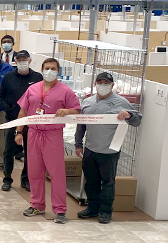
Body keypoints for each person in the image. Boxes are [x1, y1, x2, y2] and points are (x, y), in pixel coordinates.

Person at [15, 58, 81, 224]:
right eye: (47, 68)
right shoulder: (33, 89)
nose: (49, 71)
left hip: (52, 135)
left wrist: (67, 111)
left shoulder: (65, 91)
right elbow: (23, 111)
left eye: (53, 68)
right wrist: (18, 132)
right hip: (33, 134)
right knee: (34, 172)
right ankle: (37, 204)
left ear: (57, 71)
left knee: (56, 173)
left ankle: (59, 210)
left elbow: (77, 110)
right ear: (42, 70)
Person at [75, 72, 141, 224]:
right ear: (95, 84)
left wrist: (129, 116)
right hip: (90, 149)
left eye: (106, 83)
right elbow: (81, 125)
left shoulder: (121, 102)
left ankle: (105, 212)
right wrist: (78, 144)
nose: (102, 85)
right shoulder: (87, 102)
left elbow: (137, 121)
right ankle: (92, 208)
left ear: (112, 85)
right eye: (100, 82)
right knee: (91, 181)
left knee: (108, 182)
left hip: (109, 151)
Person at [0, 51, 41, 192]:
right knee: (8, 151)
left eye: (25, 59)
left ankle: (26, 179)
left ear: (30, 60)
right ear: (16, 61)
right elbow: (0, 97)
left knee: (30, 152)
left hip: (30, 121)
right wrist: (8, 109)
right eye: (19, 59)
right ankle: (7, 179)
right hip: (12, 120)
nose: (22, 62)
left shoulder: (37, 77)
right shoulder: (9, 77)